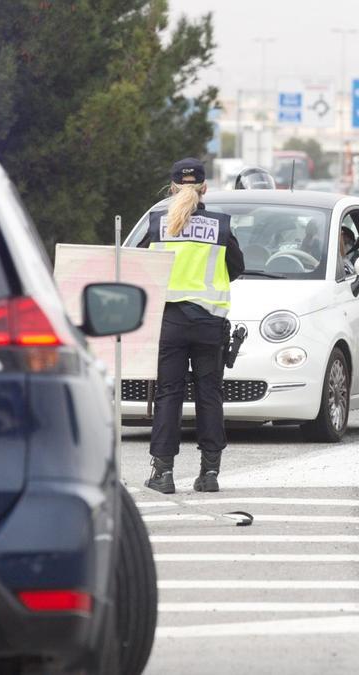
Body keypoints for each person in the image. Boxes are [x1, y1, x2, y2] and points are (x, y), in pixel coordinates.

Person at [140, 158, 245, 493]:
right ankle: (209, 474)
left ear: (172, 188)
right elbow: (237, 267)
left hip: (170, 322)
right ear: (204, 188)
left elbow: (140, 265)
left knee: (168, 394)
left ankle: (163, 474)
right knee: (209, 393)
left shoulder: (158, 224)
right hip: (209, 323)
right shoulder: (220, 225)